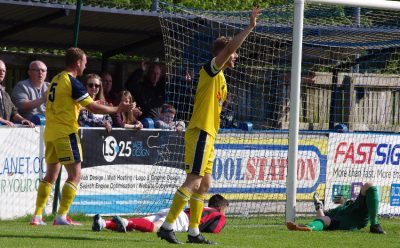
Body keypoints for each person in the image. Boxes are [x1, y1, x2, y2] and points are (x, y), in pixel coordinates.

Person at [157, 8, 261, 245]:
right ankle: (167, 226)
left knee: (204, 184)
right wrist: (250, 27)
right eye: (233, 54)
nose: (235, 57)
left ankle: (194, 232)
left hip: (210, 134)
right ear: (223, 54)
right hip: (201, 132)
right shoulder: (210, 71)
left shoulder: (222, 80)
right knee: (193, 181)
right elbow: (229, 49)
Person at [30, 47, 134, 226]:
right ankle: (61, 217)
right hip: (66, 132)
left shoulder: (56, 78)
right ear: (78, 62)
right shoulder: (73, 82)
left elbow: (67, 103)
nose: (85, 65)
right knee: (75, 175)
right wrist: (118, 108)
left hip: (51, 132)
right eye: (85, 62)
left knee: (51, 175)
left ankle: (37, 216)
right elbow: (93, 108)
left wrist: (87, 105)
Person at [92, 194, 228, 234]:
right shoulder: (219, 214)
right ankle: (126, 222)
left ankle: (103, 223)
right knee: (155, 228)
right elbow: (213, 229)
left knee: (140, 223)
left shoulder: (202, 206)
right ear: (221, 208)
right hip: (183, 219)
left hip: (175, 211)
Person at [287, 182, 386, 234]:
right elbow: (322, 217)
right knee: (324, 219)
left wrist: (319, 206)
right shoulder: (335, 211)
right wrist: (319, 207)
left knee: (368, 185)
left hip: (356, 214)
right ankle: (308, 227)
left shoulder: (346, 206)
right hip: (345, 220)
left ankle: (375, 225)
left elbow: (323, 217)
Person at [0, 60, 35, 127]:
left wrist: (23, 120)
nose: (2, 73)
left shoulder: (5, 94)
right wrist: (2, 120)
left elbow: (13, 112)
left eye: (4, 70)